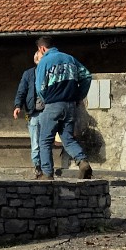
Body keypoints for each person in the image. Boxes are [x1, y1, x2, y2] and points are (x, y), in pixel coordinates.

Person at [33, 36, 92, 180]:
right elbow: (87, 76)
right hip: (70, 105)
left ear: (42, 48)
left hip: (53, 105)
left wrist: (46, 99)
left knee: (45, 140)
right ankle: (82, 161)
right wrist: (78, 96)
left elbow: (39, 86)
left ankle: (47, 173)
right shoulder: (70, 59)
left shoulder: (44, 62)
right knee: (67, 138)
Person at [12, 51, 44, 176]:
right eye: (42, 58)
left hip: (48, 112)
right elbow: (21, 91)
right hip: (34, 112)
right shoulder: (29, 74)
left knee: (46, 141)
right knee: (35, 141)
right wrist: (17, 106)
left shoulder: (50, 73)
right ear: (36, 60)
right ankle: (38, 167)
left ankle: (47, 167)